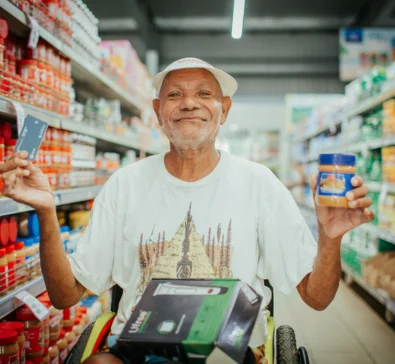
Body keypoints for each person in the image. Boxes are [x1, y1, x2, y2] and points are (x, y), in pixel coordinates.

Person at [0, 58, 374, 364]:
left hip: (231, 352)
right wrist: (47, 212)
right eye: (174, 95)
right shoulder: (124, 184)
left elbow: (317, 297)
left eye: (204, 94)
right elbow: (65, 296)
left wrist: (329, 236)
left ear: (223, 110)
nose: (189, 103)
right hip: (137, 351)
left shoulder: (260, 184)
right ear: (158, 111)